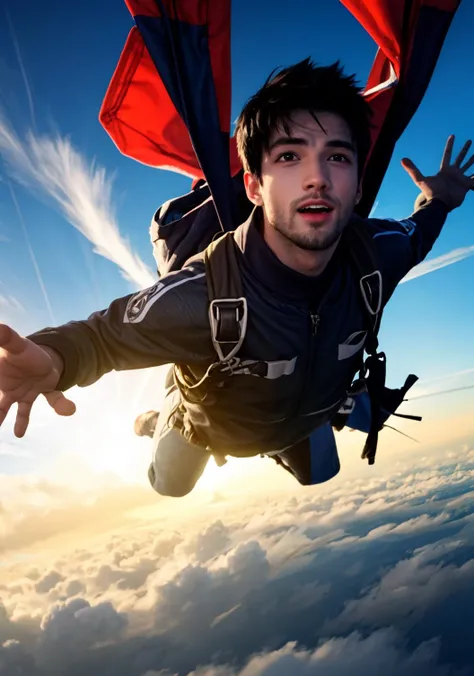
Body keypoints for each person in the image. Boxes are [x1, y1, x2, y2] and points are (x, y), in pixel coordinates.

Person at [0, 60, 472, 497]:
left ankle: (322, 406)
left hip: (300, 411)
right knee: (171, 485)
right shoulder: (203, 298)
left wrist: (441, 200)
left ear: (359, 185)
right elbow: (102, 337)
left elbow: (418, 234)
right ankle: (160, 415)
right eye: (289, 157)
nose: (317, 178)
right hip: (211, 425)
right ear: (253, 186)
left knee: (320, 475)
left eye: (338, 157)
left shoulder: (376, 256)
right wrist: (56, 357)